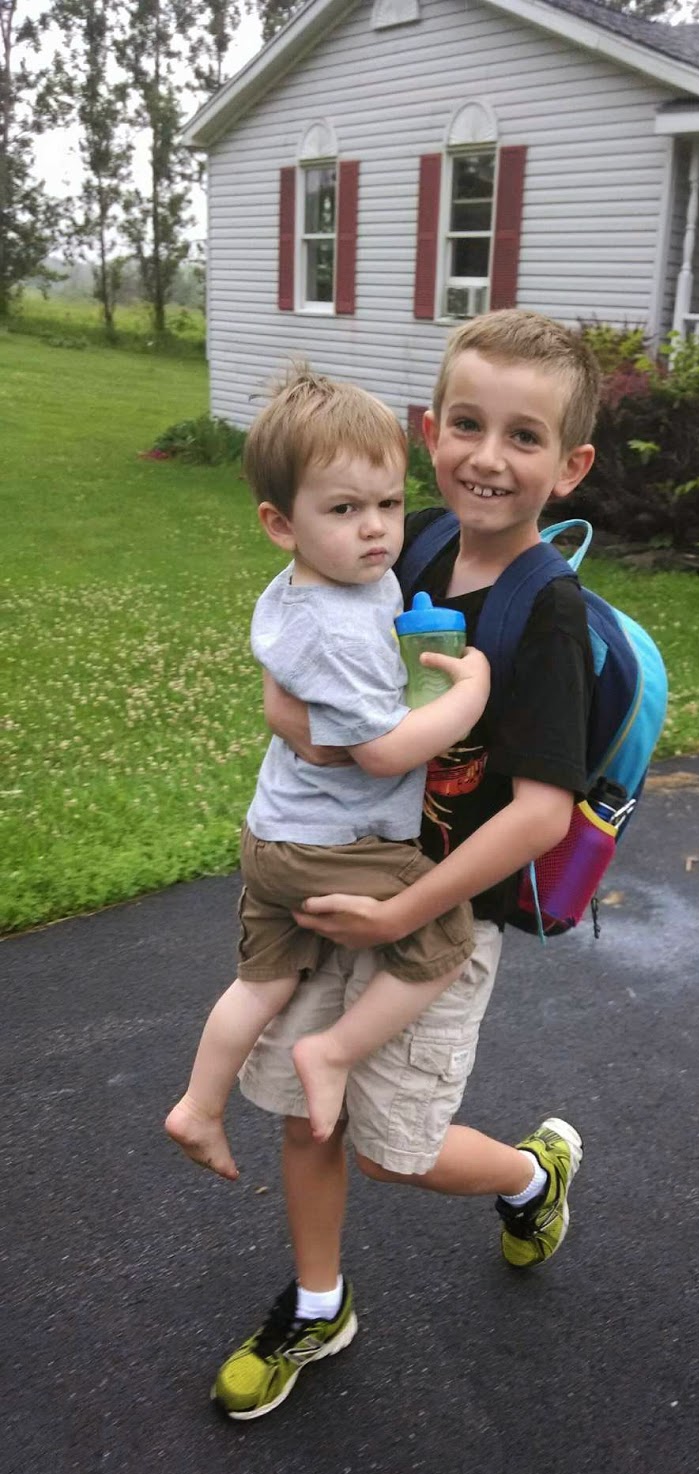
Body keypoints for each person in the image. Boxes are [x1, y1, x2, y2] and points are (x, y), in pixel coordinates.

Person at [212, 310, 600, 1422]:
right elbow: (299, 651)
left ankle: (530, 1175)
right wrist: (293, 718)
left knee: (394, 1150)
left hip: (440, 912)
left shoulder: (546, 613)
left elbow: (540, 816)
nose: (488, 456)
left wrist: (403, 916)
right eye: (467, 424)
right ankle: (318, 1302)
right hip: (344, 872)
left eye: (524, 437)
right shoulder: (402, 537)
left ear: (568, 466)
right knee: (306, 1109)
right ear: (430, 431)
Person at [165, 369, 490, 1181]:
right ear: (280, 524)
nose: (376, 529)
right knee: (448, 937)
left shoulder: (314, 585)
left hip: (278, 832)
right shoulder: (336, 630)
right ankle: (334, 1052)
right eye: (343, 510)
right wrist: (470, 697)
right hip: (334, 843)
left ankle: (198, 1107)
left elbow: (295, 701)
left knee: (263, 983)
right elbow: (384, 753)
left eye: (388, 503)